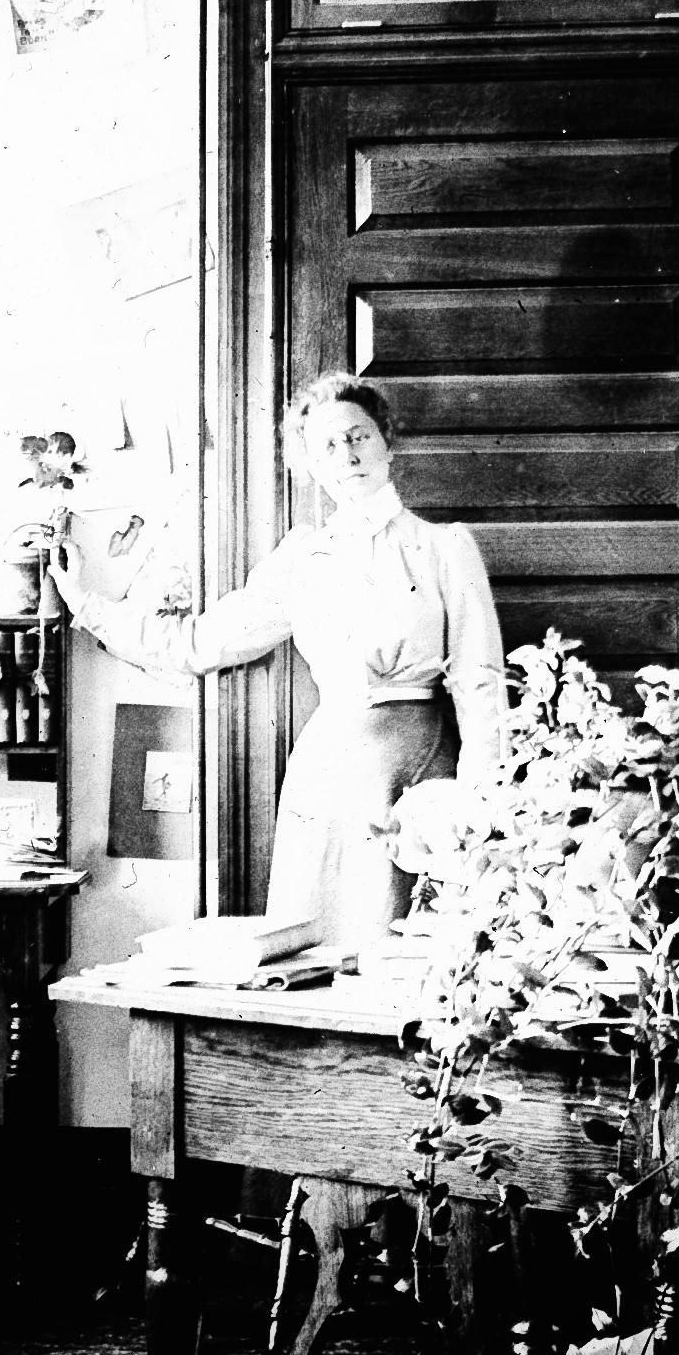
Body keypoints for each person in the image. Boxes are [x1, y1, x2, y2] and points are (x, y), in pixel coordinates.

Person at [48, 372, 505, 952]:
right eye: (328, 446)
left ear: (387, 443)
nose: (348, 454)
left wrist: (478, 803)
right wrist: (87, 604)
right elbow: (202, 643)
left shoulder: (445, 548)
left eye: (359, 436)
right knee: (313, 950)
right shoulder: (303, 559)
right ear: (311, 466)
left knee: (404, 946)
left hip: (415, 770)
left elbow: (480, 683)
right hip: (325, 769)